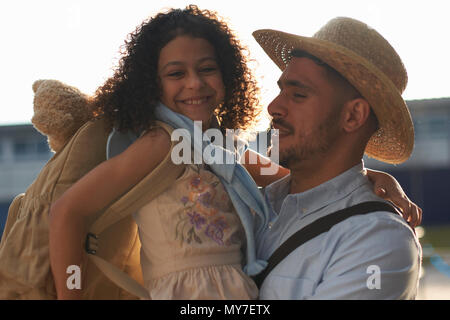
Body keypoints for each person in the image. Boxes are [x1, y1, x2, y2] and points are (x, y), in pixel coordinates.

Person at [49, 6, 420, 300]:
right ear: (152, 82)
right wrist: (71, 291)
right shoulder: (163, 144)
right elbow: (68, 210)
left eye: (207, 69)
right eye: (176, 74)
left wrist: (370, 179)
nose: (194, 83)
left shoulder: (220, 150)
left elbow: (318, 187)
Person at [252, 17, 422, 299]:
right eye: (281, 89)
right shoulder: (251, 203)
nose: (273, 107)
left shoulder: (378, 240)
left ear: (353, 115)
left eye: (298, 94)